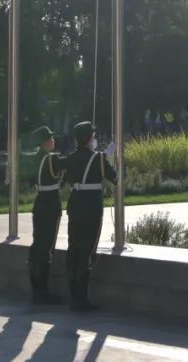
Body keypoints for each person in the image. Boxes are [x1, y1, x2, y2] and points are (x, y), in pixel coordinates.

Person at [63, 120, 117, 311]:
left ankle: (73, 296)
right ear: (89, 138)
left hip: (75, 204)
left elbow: (68, 178)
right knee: (86, 251)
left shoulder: (71, 158)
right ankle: (81, 300)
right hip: (92, 207)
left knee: (73, 249)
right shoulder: (99, 158)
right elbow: (115, 178)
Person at [27, 125, 65, 304]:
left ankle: (37, 289)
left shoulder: (36, 158)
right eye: (51, 138)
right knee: (46, 248)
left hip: (40, 203)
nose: (53, 140)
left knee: (38, 245)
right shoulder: (50, 159)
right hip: (50, 205)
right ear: (45, 142)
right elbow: (69, 166)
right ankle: (42, 292)